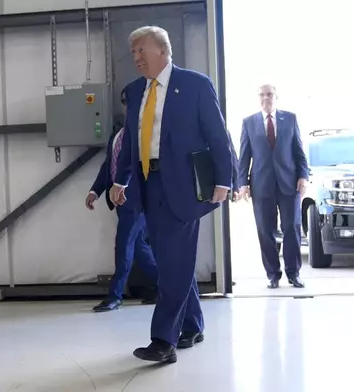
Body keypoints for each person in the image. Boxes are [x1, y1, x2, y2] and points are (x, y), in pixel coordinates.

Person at [109, 25, 232, 364]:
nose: (135, 58)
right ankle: (192, 324)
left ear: (162, 50)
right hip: (149, 186)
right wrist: (120, 181)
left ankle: (164, 340)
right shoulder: (135, 91)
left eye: (141, 51)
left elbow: (217, 135)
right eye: (133, 52)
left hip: (184, 187)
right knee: (170, 263)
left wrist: (225, 179)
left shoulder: (194, 85)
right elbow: (132, 141)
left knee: (174, 263)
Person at [85, 88, 158, 312]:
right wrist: (95, 191)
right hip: (120, 201)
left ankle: (115, 296)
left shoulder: (146, 135)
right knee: (137, 247)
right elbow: (109, 166)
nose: (129, 106)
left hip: (137, 201)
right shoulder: (117, 135)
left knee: (124, 245)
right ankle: (165, 287)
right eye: (126, 102)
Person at [237, 84, 308, 289]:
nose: (266, 98)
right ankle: (273, 275)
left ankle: (293, 273)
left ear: (276, 97)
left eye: (270, 95)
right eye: (262, 95)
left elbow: (299, 152)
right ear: (257, 97)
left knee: (291, 229)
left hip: (289, 184)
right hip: (261, 185)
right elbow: (244, 156)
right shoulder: (249, 122)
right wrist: (242, 184)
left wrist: (303, 176)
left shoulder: (290, 119)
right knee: (265, 231)